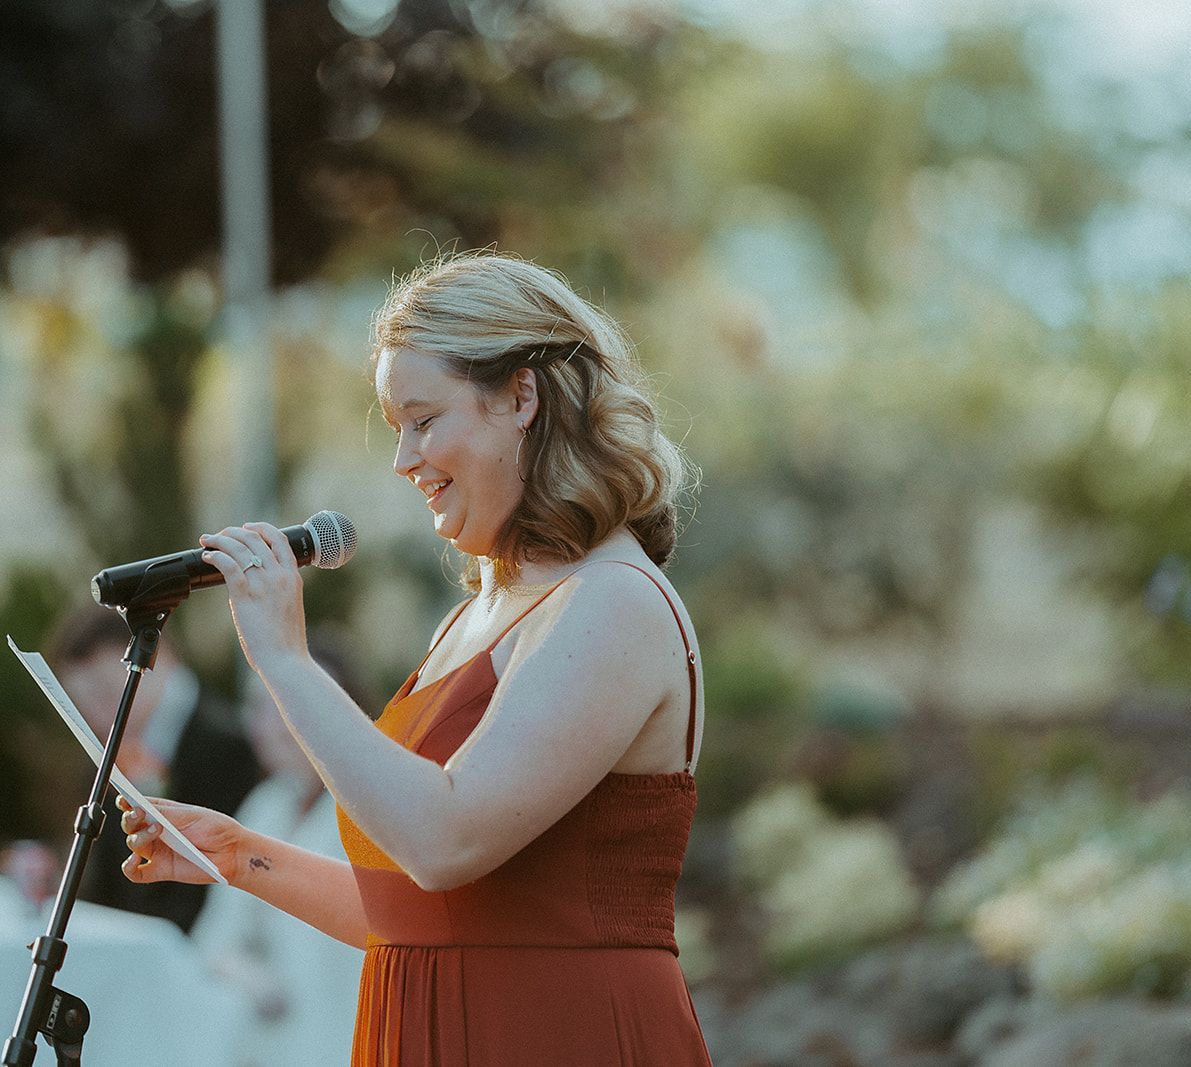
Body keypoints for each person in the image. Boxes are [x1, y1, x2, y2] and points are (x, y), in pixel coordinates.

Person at [119, 252, 714, 1065]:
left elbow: (444, 840)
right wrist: (241, 856)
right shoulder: (477, 614)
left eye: (425, 419)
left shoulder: (615, 601)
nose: (403, 459)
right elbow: (425, 914)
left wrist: (286, 660)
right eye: (397, 426)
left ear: (521, 397)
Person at [190, 637, 370, 1066]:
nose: (276, 722)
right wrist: (247, 976)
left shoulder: (369, 811)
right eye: (261, 706)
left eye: (288, 703)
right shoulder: (266, 805)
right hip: (269, 1037)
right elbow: (215, 936)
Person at [49, 602, 263, 930]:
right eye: (83, 703)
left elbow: (222, 879)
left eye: (106, 694)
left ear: (156, 658)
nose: (97, 716)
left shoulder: (225, 746)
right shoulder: (112, 744)